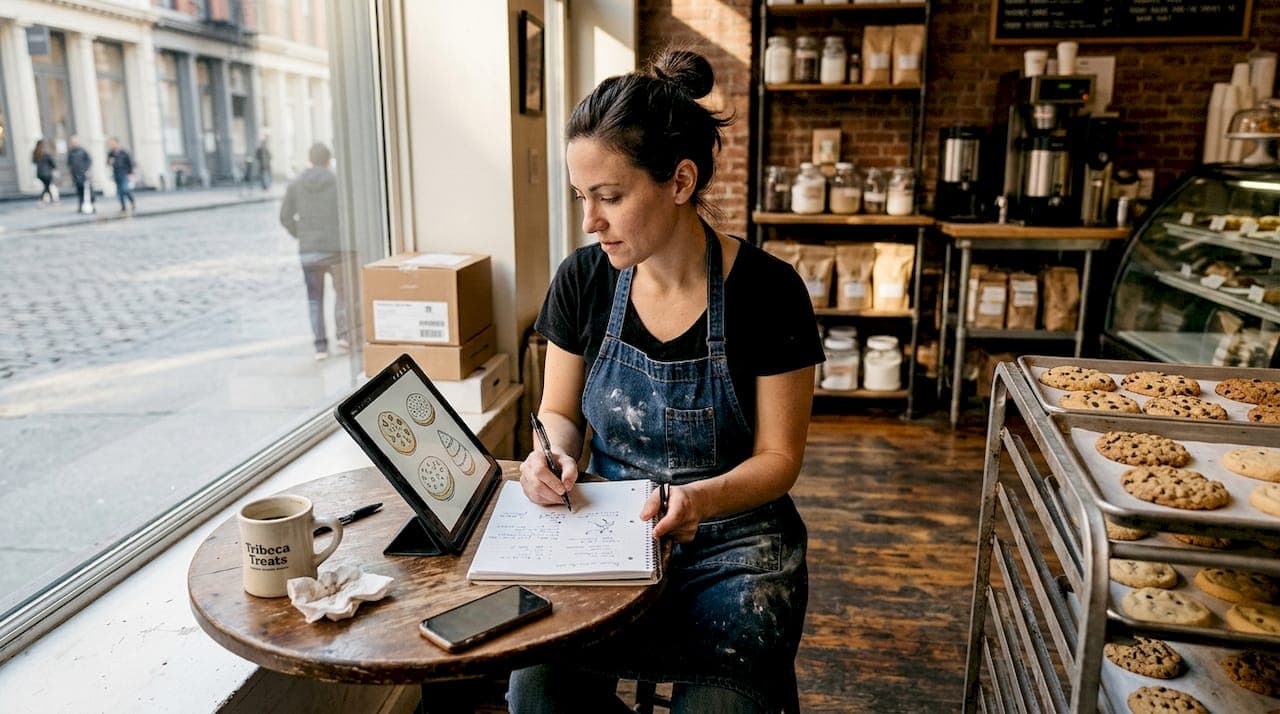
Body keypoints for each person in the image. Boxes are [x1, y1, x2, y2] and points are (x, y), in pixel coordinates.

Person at [508, 49, 824, 712]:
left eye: (610, 197)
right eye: (581, 197)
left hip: (738, 547)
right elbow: (558, 412)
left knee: (722, 706)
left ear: (679, 182)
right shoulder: (582, 280)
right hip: (610, 535)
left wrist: (700, 503)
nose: (589, 221)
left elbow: (779, 460)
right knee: (537, 689)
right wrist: (553, 453)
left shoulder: (769, 292)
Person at [279, 142, 351, 360]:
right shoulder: (337, 181)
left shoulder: (295, 184)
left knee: (314, 299)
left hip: (309, 250)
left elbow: (285, 217)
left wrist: (300, 234)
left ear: (309, 160)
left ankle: (320, 347)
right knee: (342, 292)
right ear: (328, 160)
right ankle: (344, 335)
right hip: (335, 248)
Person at [107, 138, 136, 214]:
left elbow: (130, 163)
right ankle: (123, 207)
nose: (112, 145)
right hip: (116, 174)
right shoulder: (111, 153)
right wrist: (109, 162)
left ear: (117, 143)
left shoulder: (124, 153)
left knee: (125, 189)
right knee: (119, 192)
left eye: (113, 143)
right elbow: (108, 163)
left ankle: (132, 201)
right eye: (111, 144)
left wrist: (130, 173)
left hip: (125, 174)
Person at [67, 135, 93, 213]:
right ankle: (81, 206)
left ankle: (91, 205)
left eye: (75, 142)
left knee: (88, 190)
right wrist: (71, 172)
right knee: (79, 191)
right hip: (76, 175)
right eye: (72, 142)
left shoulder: (83, 151)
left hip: (84, 174)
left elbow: (89, 161)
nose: (73, 144)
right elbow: (69, 163)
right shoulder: (71, 152)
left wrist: (87, 170)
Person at [32, 139, 57, 206]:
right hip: (47, 173)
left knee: (47, 187)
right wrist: (55, 168)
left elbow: (34, 162)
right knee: (46, 187)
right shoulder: (45, 153)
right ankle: (42, 201)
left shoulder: (35, 152)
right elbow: (51, 162)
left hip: (40, 173)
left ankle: (52, 201)